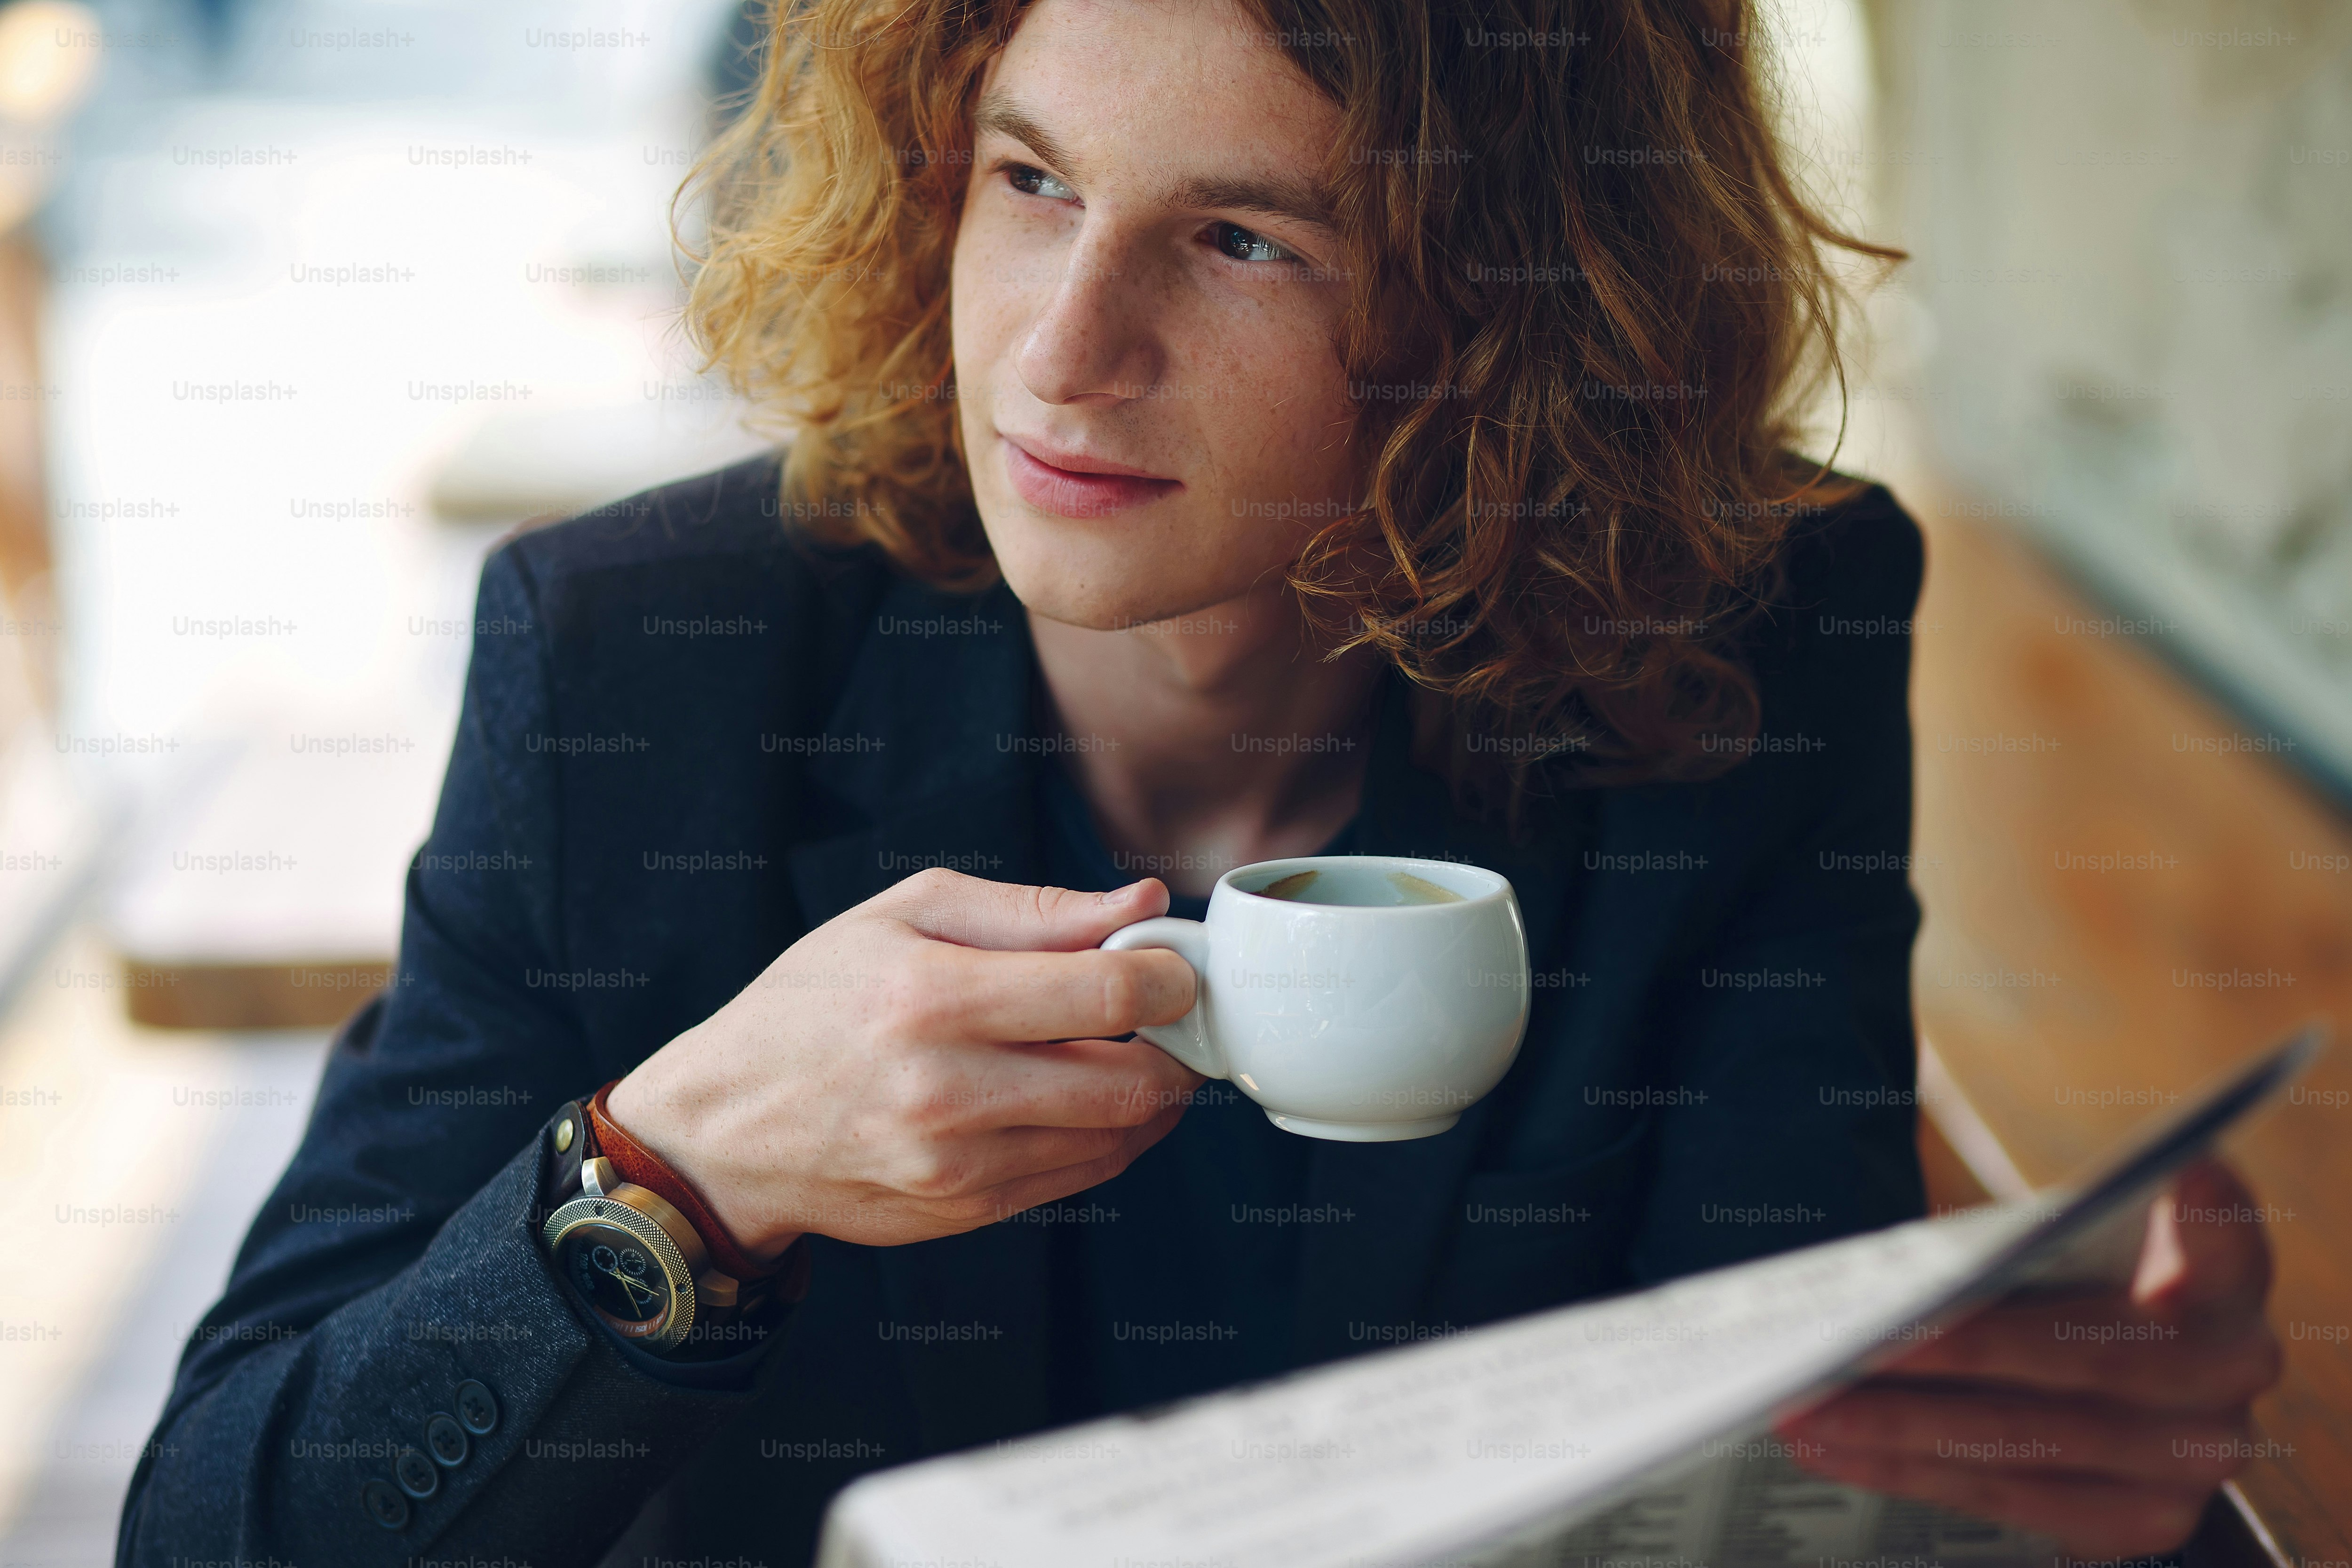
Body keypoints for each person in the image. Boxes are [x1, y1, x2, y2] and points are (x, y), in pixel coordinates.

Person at [118, 0, 2282, 1561]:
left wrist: (2080, 1484)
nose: (1061, 353)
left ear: (1513, 308)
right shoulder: (641, 662)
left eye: (1243, 238)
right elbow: (222, 1522)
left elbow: (1781, 1399)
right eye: (1030, 182)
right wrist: (683, 1171)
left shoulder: (1745, 634)